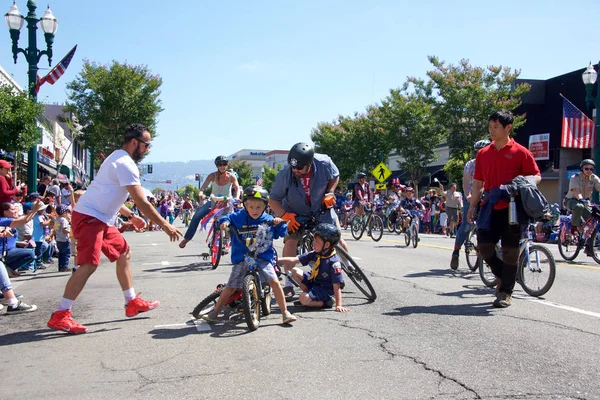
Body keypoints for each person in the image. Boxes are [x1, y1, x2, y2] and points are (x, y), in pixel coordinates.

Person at [47, 123, 182, 334]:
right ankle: (61, 314)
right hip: (90, 217)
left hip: (99, 218)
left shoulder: (116, 157)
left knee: (123, 252)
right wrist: (165, 225)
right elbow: (142, 200)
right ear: (134, 142)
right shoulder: (125, 163)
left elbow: (110, 195)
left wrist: (131, 216)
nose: (147, 150)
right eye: (146, 145)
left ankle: (131, 302)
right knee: (88, 265)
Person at [467, 110, 541, 308]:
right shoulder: (483, 154)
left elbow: (536, 176)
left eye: (496, 127)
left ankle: (505, 292)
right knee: (483, 247)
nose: (492, 131)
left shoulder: (521, 152)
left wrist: (520, 184)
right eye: (490, 127)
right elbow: (478, 183)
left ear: (508, 127)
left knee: (510, 251)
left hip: (513, 207)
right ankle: (506, 276)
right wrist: (472, 205)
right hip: (489, 205)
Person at [201, 186, 296, 324]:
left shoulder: (268, 219)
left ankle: (285, 312)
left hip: (263, 258)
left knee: (274, 282)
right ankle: (215, 312)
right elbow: (227, 217)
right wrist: (224, 223)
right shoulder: (238, 217)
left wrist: (278, 223)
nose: (254, 210)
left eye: (258, 207)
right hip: (242, 258)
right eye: (250, 207)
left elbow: (281, 232)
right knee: (231, 287)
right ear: (245, 205)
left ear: (265, 206)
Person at [269, 142, 346, 299]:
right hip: (295, 212)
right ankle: (288, 285)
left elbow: (335, 176)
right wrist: (285, 215)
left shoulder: (324, 163)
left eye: (299, 168)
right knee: (290, 242)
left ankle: (350, 267)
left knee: (336, 238)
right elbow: (273, 200)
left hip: (321, 207)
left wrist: (330, 192)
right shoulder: (285, 174)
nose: (295, 171)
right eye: (293, 167)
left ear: (309, 164)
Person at [279, 223, 349, 312]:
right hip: (315, 281)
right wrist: (276, 259)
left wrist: (339, 305)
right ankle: (310, 294)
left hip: (325, 289)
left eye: (317, 242)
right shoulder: (316, 253)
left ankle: (326, 302)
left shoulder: (334, 262)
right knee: (294, 271)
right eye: (314, 240)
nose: (313, 243)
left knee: (303, 299)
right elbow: (294, 260)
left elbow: (336, 285)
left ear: (326, 245)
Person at [179, 156, 240, 249]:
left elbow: (237, 188)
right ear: (217, 166)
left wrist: (237, 197)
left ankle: (228, 240)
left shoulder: (231, 176)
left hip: (227, 203)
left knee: (232, 221)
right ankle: (187, 239)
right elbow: (203, 187)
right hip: (213, 202)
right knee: (196, 216)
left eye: (224, 164)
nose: (222, 166)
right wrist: (201, 193)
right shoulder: (212, 175)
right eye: (220, 164)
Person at [450, 139, 491, 270]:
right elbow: (466, 182)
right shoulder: (470, 165)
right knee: (467, 224)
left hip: (489, 196)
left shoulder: (493, 162)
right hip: (472, 196)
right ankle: (456, 252)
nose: (481, 154)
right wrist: (468, 195)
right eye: (478, 152)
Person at [1, 201, 43, 276]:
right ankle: (8, 268)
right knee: (30, 254)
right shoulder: (4, 221)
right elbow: (24, 221)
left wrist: (18, 243)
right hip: (4, 252)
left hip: (11, 249)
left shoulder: (6, 220)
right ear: (5, 212)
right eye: (13, 209)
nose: (15, 211)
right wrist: (35, 209)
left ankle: (8, 269)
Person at [54, 204, 71, 272]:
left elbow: (55, 228)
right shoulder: (63, 220)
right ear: (64, 212)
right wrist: (70, 232)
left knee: (60, 253)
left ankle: (60, 266)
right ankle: (64, 267)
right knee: (66, 253)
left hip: (58, 239)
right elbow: (64, 229)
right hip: (64, 239)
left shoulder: (57, 219)